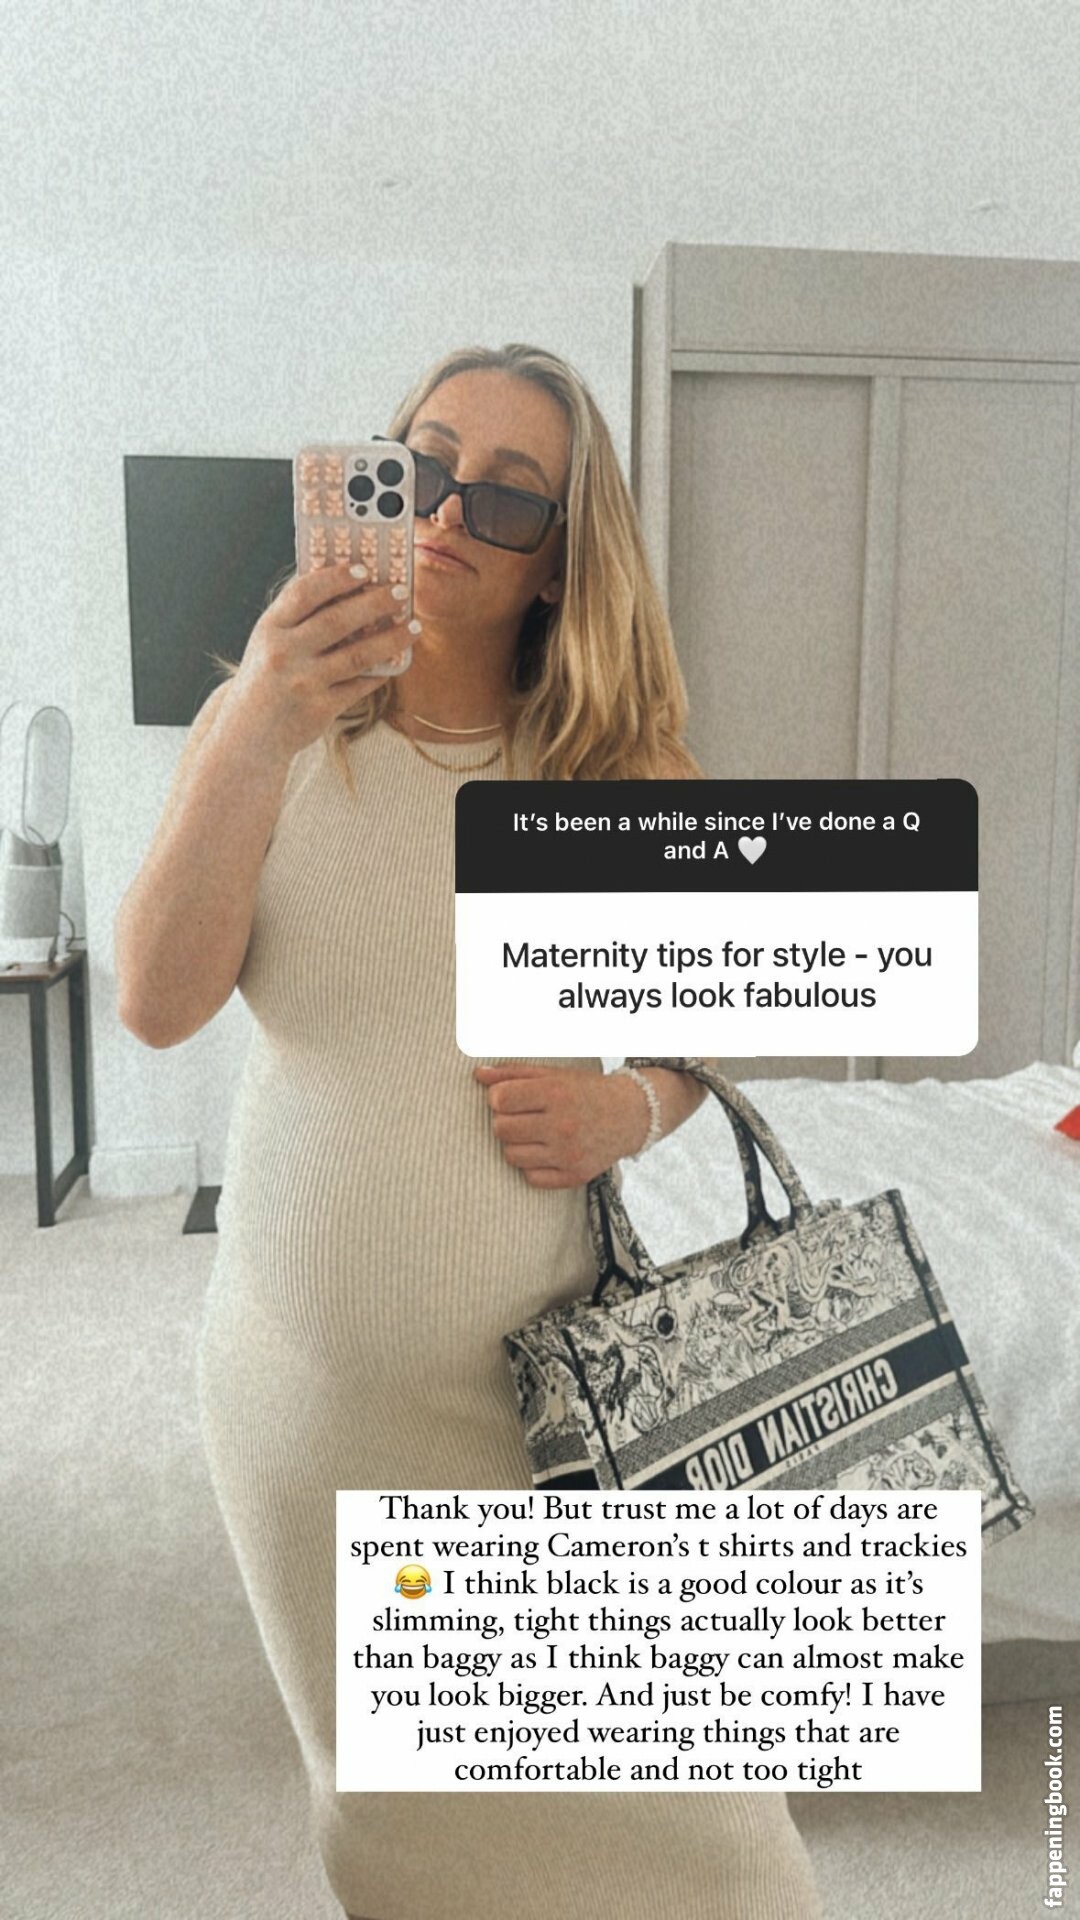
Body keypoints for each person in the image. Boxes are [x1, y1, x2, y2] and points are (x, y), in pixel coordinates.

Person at [115, 343, 822, 1920]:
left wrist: (627, 1104)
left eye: (505, 497)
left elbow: (700, 1031)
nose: (446, 514)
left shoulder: (615, 769)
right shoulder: (263, 727)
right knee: (403, 1837)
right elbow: (157, 1003)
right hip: (305, 1401)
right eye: (423, 466)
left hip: (554, 1405)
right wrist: (257, 725)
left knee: (719, 1847)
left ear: (559, 558)